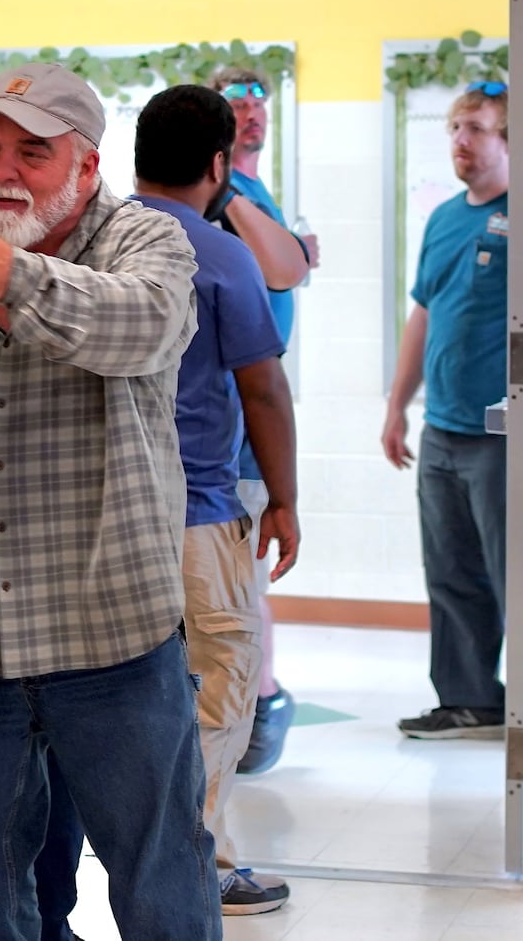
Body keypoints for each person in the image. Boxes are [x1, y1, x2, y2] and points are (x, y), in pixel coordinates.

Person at [0, 63, 217, 940]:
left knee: (159, 880)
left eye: (32, 154)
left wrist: (12, 278)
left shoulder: (146, 240)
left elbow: (144, 323)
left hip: (111, 629)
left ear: (86, 165)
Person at [131, 84, 300, 915]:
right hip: (197, 514)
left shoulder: (95, 241)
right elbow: (263, 391)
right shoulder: (218, 250)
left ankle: (155, 868)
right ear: (217, 164)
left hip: (107, 522)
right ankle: (194, 871)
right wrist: (286, 500)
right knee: (218, 691)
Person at [382, 81, 509, 740]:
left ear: (508, 138)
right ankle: (470, 697)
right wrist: (397, 406)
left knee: (508, 571)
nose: (459, 141)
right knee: (452, 572)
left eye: (476, 129)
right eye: (455, 128)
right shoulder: (445, 218)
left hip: (501, 434)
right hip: (444, 429)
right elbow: (423, 315)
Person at [207, 66, 313, 775]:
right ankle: (257, 703)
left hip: (260, 398)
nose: (254, 117)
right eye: (239, 107)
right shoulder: (225, 197)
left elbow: (287, 267)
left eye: (260, 106)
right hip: (235, 411)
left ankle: (262, 699)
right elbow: (283, 270)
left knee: (249, 579)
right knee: (238, 580)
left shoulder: (256, 190)